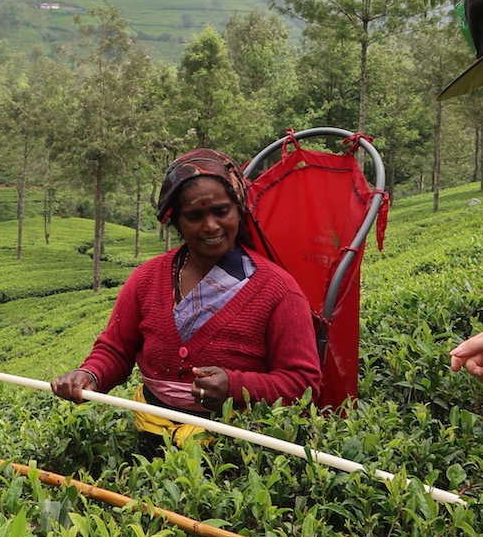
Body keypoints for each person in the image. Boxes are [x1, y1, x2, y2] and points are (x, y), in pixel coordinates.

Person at [51, 148, 322, 442]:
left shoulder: (278, 290)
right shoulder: (146, 279)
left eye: (221, 211)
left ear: (240, 210)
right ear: (176, 220)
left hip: (235, 444)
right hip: (150, 432)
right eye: (194, 216)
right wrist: (90, 375)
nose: (211, 226)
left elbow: (303, 382)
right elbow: (116, 349)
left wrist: (235, 386)